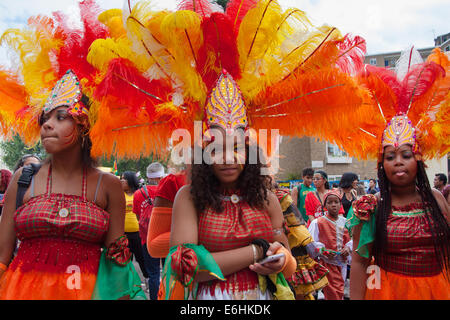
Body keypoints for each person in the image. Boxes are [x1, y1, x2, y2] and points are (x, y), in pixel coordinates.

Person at [0, 71, 143, 299]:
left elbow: (116, 259)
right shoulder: (23, 178)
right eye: (45, 118)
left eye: (60, 117)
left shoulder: (108, 184)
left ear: (83, 125)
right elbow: (2, 255)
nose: (46, 125)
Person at [346, 47, 450, 300]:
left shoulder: (436, 199)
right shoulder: (371, 206)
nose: (398, 163)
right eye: (390, 157)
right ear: (382, 164)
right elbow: (360, 263)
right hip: (389, 291)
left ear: (419, 159)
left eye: (406, 155)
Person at [274, 186, 329, 300]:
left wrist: (309, 244)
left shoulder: (281, 198)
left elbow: (297, 226)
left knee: (298, 290)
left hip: (292, 250)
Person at [308, 190, 352, 300]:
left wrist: (348, 247)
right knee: (332, 293)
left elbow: (354, 239)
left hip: (342, 264)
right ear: (325, 205)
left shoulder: (346, 222)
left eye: (336, 202)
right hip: (326, 264)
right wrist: (323, 250)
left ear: (340, 204)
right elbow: (310, 242)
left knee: (340, 291)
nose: (333, 205)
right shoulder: (318, 222)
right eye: (330, 202)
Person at [133, 162, 165, 300]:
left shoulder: (138, 193)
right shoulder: (167, 190)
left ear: (147, 176)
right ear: (162, 175)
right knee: (168, 272)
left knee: (153, 274)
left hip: (147, 238)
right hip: (166, 237)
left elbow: (138, 216)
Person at [121, 171, 149, 283]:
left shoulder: (138, 193)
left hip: (138, 233)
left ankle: (147, 280)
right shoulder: (118, 194)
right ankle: (127, 284)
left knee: (141, 258)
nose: (121, 180)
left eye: (124, 178)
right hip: (123, 233)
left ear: (131, 181)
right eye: (121, 178)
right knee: (125, 260)